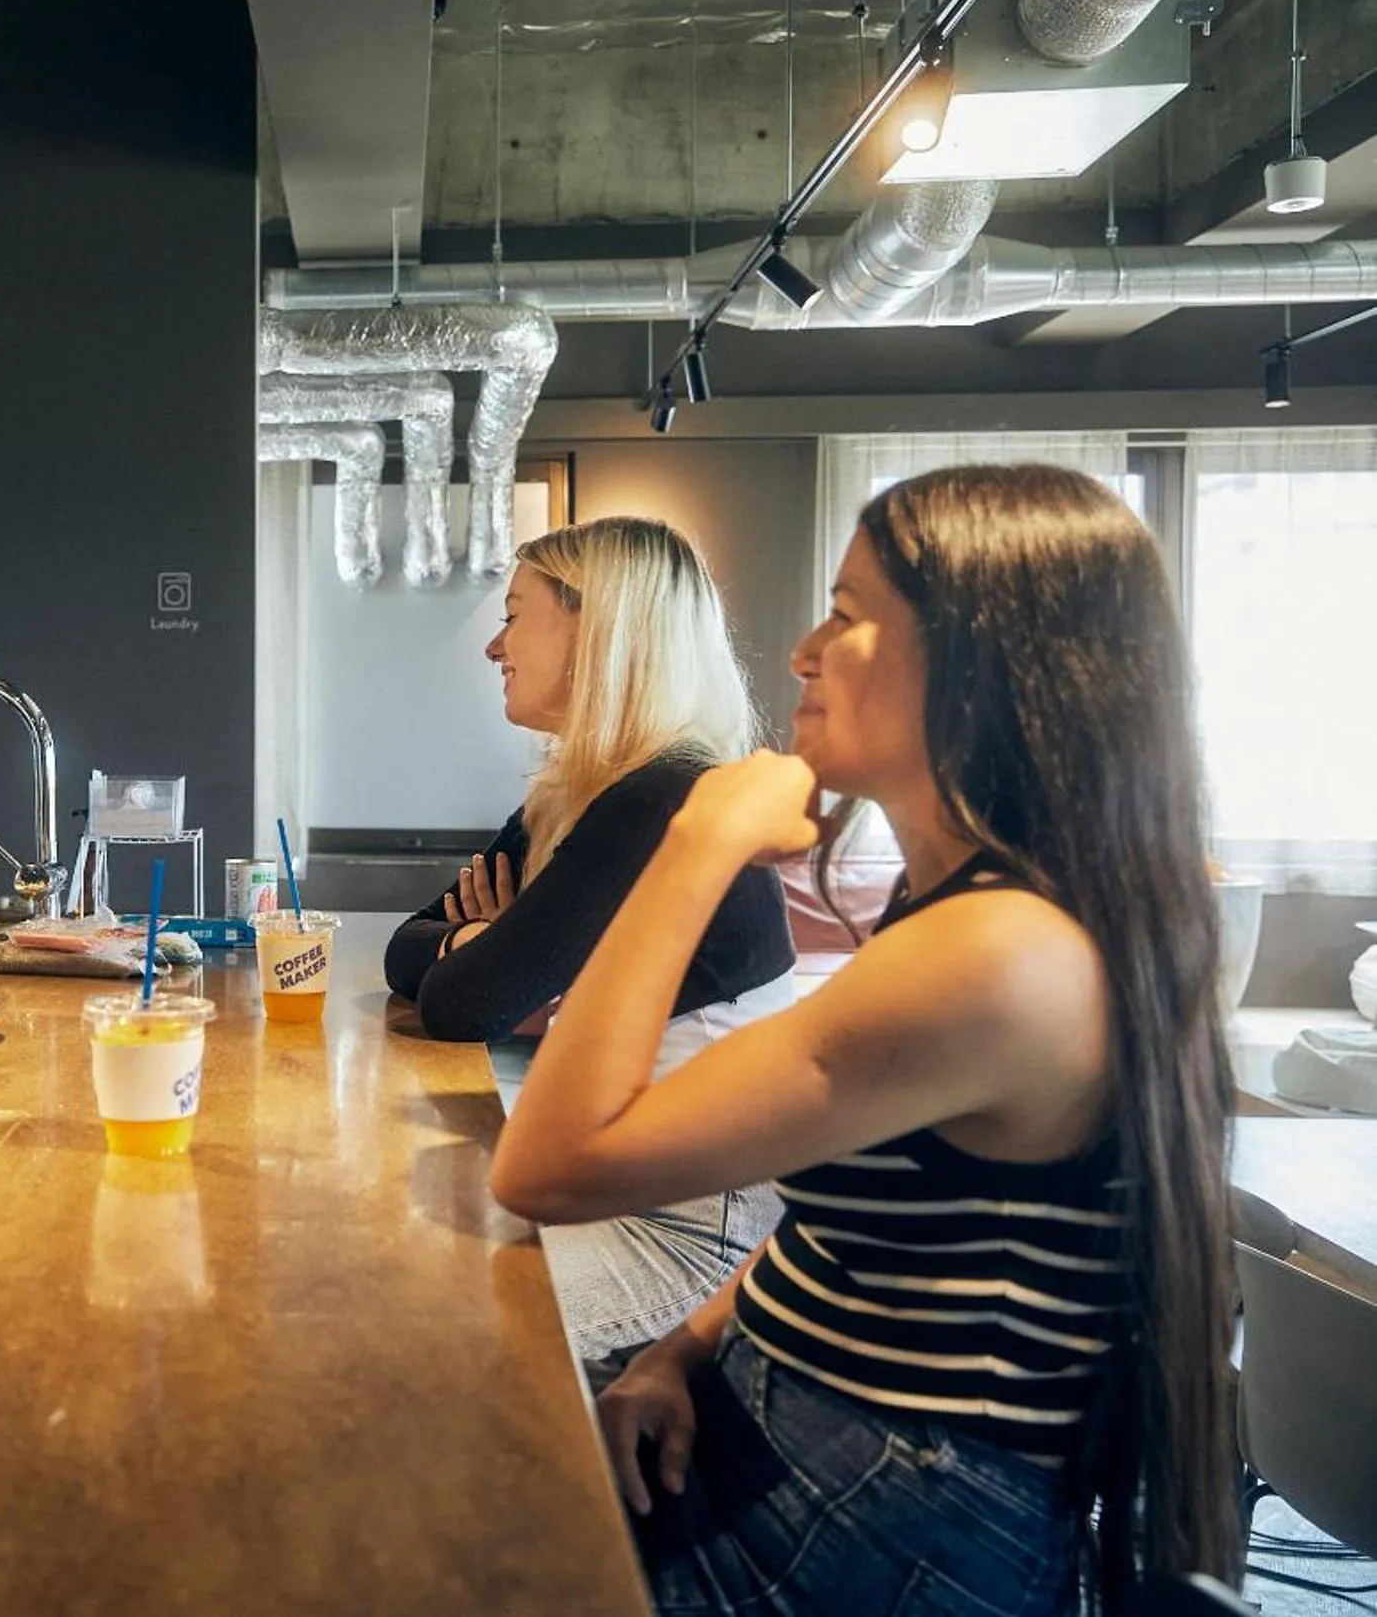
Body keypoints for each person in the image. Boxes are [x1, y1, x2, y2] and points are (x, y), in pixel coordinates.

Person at [490, 466, 1236, 1613]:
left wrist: (694, 842)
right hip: (805, 1431)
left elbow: (545, 1166)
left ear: (980, 664)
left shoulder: (996, 954)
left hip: (891, 1504)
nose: (800, 651)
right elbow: (860, 1228)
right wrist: (685, 1346)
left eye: (842, 616)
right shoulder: (963, 912)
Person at [383, 517, 796, 1357]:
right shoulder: (576, 794)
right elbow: (406, 950)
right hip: (611, 1183)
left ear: (598, 628)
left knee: (423, 1332)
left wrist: (483, 947)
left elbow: (463, 1003)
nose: (492, 647)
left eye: (512, 615)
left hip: (683, 1228)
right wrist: (482, 939)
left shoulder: (662, 797)